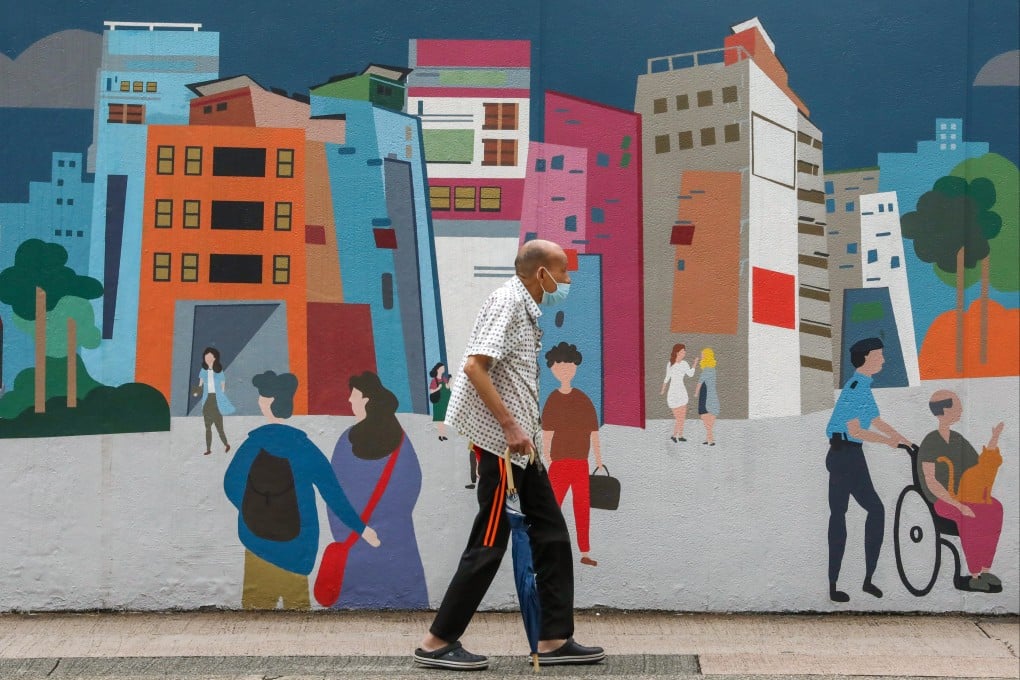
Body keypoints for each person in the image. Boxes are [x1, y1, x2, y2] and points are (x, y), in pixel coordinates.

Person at [413, 239, 605, 671]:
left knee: (552, 533)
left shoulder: (524, 305)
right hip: (502, 446)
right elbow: (474, 367)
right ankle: (437, 640)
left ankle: (554, 638)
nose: (568, 282)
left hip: (522, 448)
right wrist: (509, 426)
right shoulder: (507, 302)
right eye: (564, 272)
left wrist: (525, 433)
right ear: (542, 274)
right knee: (489, 539)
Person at [223, 371, 380, 609]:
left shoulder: (253, 444)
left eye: (263, 398)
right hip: (297, 549)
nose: (259, 402)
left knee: (255, 611)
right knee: (298, 611)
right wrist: (361, 529)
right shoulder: (305, 448)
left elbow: (230, 484)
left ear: (272, 403)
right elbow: (333, 494)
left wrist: (253, 511)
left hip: (256, 545)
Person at [324, 371, 428, 609]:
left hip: (354, 541)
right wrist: (393, 523)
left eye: (354, 396)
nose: (350, 400)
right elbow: (412, 483)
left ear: (367, 401)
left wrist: (349, 531)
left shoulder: (345, 441)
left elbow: (334, 494)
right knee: (405, 598)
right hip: (398, 542)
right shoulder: (401, 440)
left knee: (353, 601)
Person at [825, 338, 911, 603]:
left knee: (848, 513)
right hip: (846, 455)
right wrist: (889, 442)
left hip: (846, 455)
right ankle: (843, 583)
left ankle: (861, 580)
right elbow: (855, 431)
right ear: (865, 359)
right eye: (879, 356)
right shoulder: (855, 388)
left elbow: (874, 420)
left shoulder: (862, 385)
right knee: (859, 512)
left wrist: (902, 439)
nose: (883, 360)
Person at [917, 390, 1004, 592]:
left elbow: (980, 467)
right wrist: (958, 505)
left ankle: (985, 569)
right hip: (941, 501)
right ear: (943, 410)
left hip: (966, 496)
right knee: (971, 516)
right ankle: (974, 575)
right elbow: (931, 482)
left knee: (995, 508)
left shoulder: (958, 440)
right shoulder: (931, 442)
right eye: (956, 406)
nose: (960, 410)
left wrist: (993, 439)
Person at [541, 341, 603, 567]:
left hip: (580, 462)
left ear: (575, 367)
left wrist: (598, 458)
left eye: (568, 365)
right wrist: (547, 455)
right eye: (559, 366)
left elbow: (593, 432)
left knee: (582, 507)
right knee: (551, 507)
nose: (565, 369)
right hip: (558, 463)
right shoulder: (553, 400)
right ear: (552, 369)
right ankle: (547, 549)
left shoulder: (583, 399)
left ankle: (585, 551)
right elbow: (547, 431)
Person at [196, 347, 234, 455]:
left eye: (209, 357)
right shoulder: (203, 370)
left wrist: (221, 395)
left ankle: (226, 444)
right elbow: (200, 384)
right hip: (207, 400)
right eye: (206, 357)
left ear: (214, 358)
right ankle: (208, 449)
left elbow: (223, 383)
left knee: (219, 427)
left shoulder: (219, 370)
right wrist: (197, 391)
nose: (207, 358)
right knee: (207, 427)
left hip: (216, 400)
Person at [661, 343, 697, 442]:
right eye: (682, 351)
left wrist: (694, 364)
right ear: (677, 352)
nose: (684, 353)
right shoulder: (670, 363)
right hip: (673, 393)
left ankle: (679, 436)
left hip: (682, 392)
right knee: (678, 417)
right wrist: (663, 389)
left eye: (685, 351)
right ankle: (674, 435)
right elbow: (667, 378)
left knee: (682, 417)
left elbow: (690, 374)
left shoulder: (685, 364)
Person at [695, 348, 719, 446]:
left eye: (703, 355)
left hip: (705, 395)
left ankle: (711, 438)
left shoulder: (706, 370)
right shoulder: (712, 369)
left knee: (705, 416)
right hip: (711, 394)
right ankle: (709, 438)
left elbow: (699, 383)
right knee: (709, 416)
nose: (701, 357)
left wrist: (696, 393)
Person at [428, 362, 452, 441]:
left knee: (443, 418)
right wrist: (438, 388)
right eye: (442, 368)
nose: (443, 369)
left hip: (444, 401)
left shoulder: (444, 379)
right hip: (438, 402)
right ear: (438, 369)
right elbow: (431, 391)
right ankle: (440, 435)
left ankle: (443, 434)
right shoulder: (434, 381)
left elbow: (447, 388)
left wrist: (450, 381)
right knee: (440, 419)